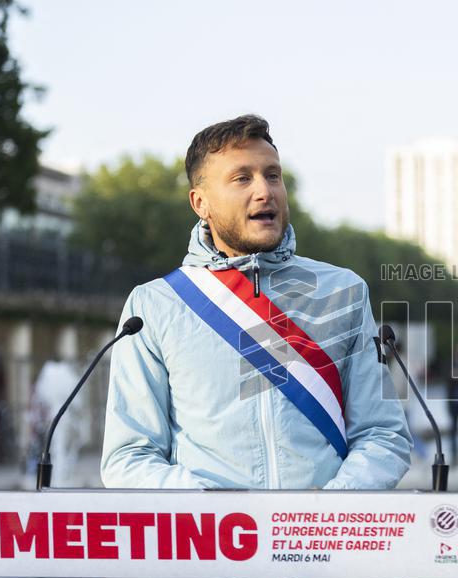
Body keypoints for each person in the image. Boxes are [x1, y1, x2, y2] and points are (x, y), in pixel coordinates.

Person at [101, 115, 412, 490]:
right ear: (201, 203)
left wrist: (330, 510)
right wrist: (213, 514)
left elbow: (383, 435)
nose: (265, 191)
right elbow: (128, 455)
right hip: (214, 542)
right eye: (242, 178)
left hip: (321, 541)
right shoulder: (153, 305)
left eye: (273, 175)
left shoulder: (343, 290)